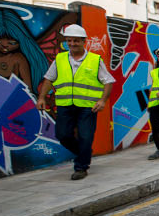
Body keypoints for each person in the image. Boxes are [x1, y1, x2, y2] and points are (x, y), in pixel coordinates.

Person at [36, 24, 114, 180]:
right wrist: (42, 97)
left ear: (83, 41)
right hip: (65, 105)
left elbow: (108, 81)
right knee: (62, 135)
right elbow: (49, 79)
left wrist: (102, 100)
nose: (72, 44)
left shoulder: (95, 60)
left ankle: (81, 167)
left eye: (76, 41)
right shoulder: (60, 58)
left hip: (88, 107)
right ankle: (84, 152)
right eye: (69, 40)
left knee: (86, 136)